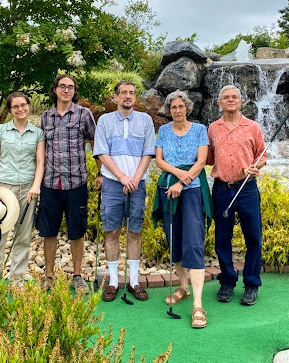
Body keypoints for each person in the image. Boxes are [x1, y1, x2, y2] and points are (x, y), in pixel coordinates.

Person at [152, 90, 212, 329]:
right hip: (168, 190)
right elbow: (159, 160)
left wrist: (181, 182)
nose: (177, 110)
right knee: (174, 240)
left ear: (187, 108)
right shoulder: (164, 131)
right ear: (169, 110)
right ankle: (183, 288)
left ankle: (198, 305)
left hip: (193, 191)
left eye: (181, 106)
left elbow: (201, 162)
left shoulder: (199, 129)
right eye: (173, 107)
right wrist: (176, 176)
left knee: (194, 243)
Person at [93, 80, 155, 302]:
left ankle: (135, 281)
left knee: (134, 231)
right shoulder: (105, 121)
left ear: (135, 97)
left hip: (137, 184)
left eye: (131, 93)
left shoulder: (146, 120)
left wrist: (135, 179)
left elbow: (147, 153)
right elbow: (102, 153)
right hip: (112, 183)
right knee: (112, 231)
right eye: (123, 93)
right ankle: (112, 281)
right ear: (116, 97)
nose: (128, 96)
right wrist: (122, 177)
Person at [38, 74, 98, 294]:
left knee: (77, 231)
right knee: (49, 231)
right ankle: (49, 275)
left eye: (70, 87)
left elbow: (95, 143)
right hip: (51, 183)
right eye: (62, 86)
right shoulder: (46, 117)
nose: (66, 90)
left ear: (74, 91)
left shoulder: (84, 114)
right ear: (55, 90)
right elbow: (41, 149)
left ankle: (78, 275)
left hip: (76, 183)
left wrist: (100, 173)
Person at [207, 85, 267, 306]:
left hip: (247, 189)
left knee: (253, 238)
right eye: (226, 97)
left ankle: (251, 284)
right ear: (219, 103)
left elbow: (262, 156)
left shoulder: (253, 127)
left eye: (234, 97)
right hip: (222, 189)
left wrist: (255, 166)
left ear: (241, 102)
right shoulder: (213, 128)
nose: (230, 100)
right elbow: (210, 158)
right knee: (222, 239)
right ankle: (227, 281)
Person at [0, 91, 45, 284]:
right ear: (10, 110)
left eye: (23, 105)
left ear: (29, 105)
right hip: (4, 189)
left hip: (28, 190)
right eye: (15, 106)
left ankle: (17, 279)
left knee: (23, 235)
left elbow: (40, 162)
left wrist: (36, 186)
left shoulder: (38, 134)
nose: (20, 109)